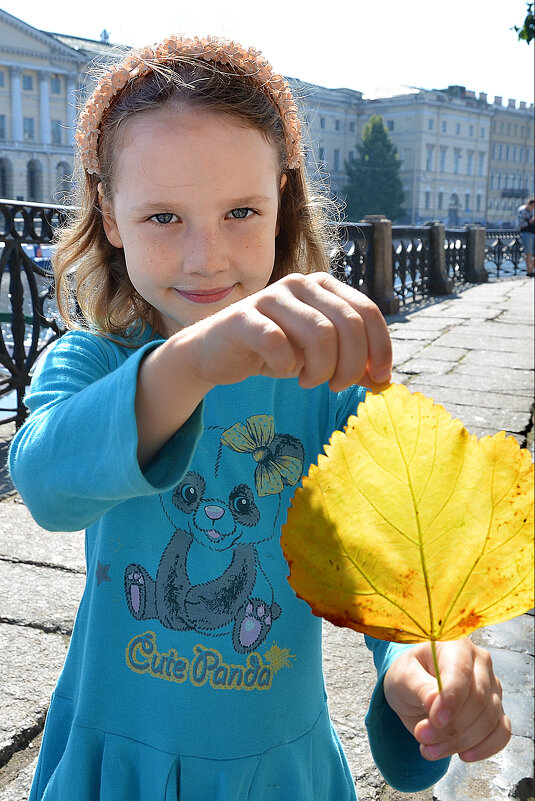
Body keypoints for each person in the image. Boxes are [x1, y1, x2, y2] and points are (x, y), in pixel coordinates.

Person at [9, 35, 510, 801]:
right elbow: (46, 480)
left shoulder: (324, 385)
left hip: (277, 769)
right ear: (109, 215)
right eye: (164, 217)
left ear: (283, 199)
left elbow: (399, 546)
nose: (206, 257)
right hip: (115, 762)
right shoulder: (94, 361)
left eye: (240, 211)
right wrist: (197, 360)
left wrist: (427, 651)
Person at [516, 197, 535, 277]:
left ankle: (531, 270)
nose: (533, 208)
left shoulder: (531, 212)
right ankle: (529, 271)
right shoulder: (522, 211)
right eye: (533, 206)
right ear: (529, 204)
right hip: (527, 233)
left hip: (532, 233)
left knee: (532, 253)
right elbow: (520, 224)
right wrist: (530, 221)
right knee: (529, 252)